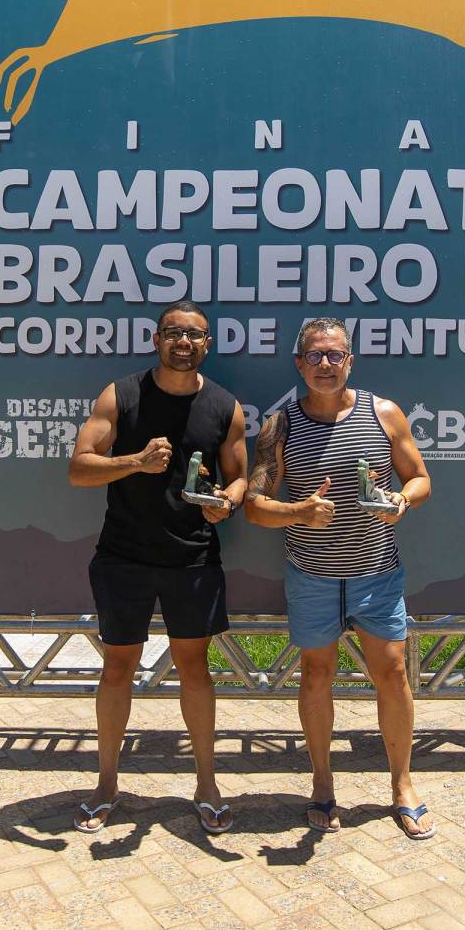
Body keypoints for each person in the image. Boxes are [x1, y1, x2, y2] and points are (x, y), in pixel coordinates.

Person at [245, 316, 434, 839]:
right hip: (312, 575)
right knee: (315, 676)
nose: (324, 364)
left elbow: (420, 479)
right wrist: (299, 513)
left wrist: (401, 502)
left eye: (334, 355)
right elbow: (255, 506)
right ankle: (323, 785)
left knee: (393, 675)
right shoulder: (280, 425)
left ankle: (402, 785)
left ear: (350, 360)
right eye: (314, 355)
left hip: (377, 574)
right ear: (298, 363)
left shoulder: (384, 413)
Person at [67, 301, 247, 835]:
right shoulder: (120, 395)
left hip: (192, 557)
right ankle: (106, 784)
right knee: (117, 668)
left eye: (194, 335)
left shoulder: (225, 406)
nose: (183, 343)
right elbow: (78, 469)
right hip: (124, 556)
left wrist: (228, 502)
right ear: (156, 339)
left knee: (196, 669)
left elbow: (239, 477)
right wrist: (135, 462)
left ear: (207, 344)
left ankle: (207, 785)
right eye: (174, 333)